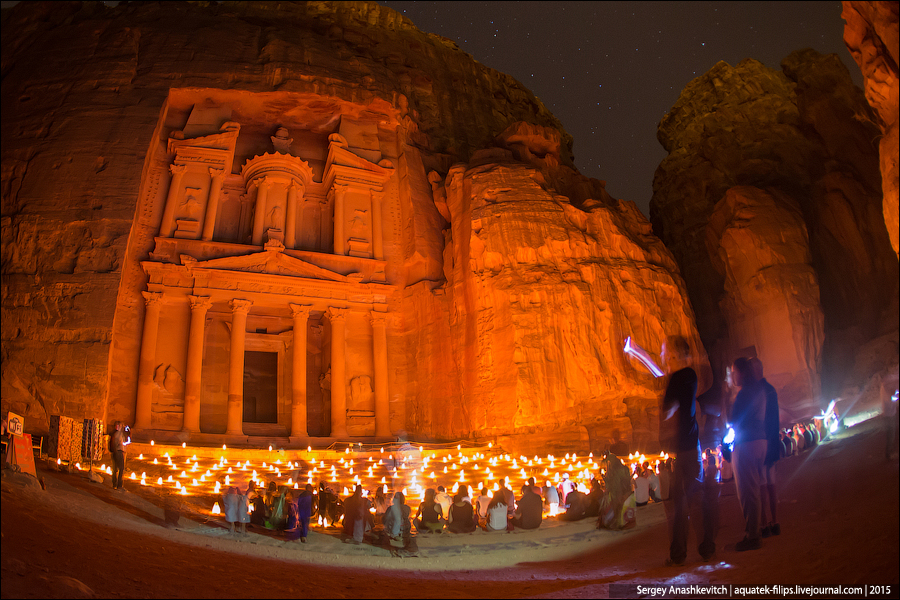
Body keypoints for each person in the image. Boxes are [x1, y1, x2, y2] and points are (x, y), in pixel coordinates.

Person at [659, 335, 718, 565]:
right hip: (693, 444)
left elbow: (667, 412)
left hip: (683, 449)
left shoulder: (675, 379)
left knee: (679, 504)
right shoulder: (691, 375)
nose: (663, 356)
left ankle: (678, 553)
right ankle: (707, 548)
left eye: (665, 351)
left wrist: (666, 387)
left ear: (673, 354)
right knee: (697, 498)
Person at [730, 356, 767, 552]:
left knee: (747, 492)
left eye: (733, 372)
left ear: (741, 372)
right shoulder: (759, 390)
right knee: (754, 489)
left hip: (746, 444)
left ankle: (753, 535)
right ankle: (756, 530)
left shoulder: (744, 394)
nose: (732, 376)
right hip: (760, 441)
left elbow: (734, 420)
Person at [752, 357, 781, 538]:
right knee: (771, 483)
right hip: (772, 440)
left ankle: (763, 524)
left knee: (762, 484)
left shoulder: (757, 392)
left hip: (762, 441)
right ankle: (775, 522)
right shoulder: (771, 390)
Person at [383, 491, 412, 556]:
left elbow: (385, 519)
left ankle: (394, 536)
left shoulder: (391, 508)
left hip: (395, 528)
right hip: (406, 527)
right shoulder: (407, 508)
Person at [110, 421, 126, 491]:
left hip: (116, 452)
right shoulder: (118, 434)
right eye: (121, 426)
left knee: (115, 468)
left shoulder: (115, 433)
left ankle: (114, 484)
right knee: (121, 468)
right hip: (118, 452)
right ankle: (119, 484)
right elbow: (117, 443)